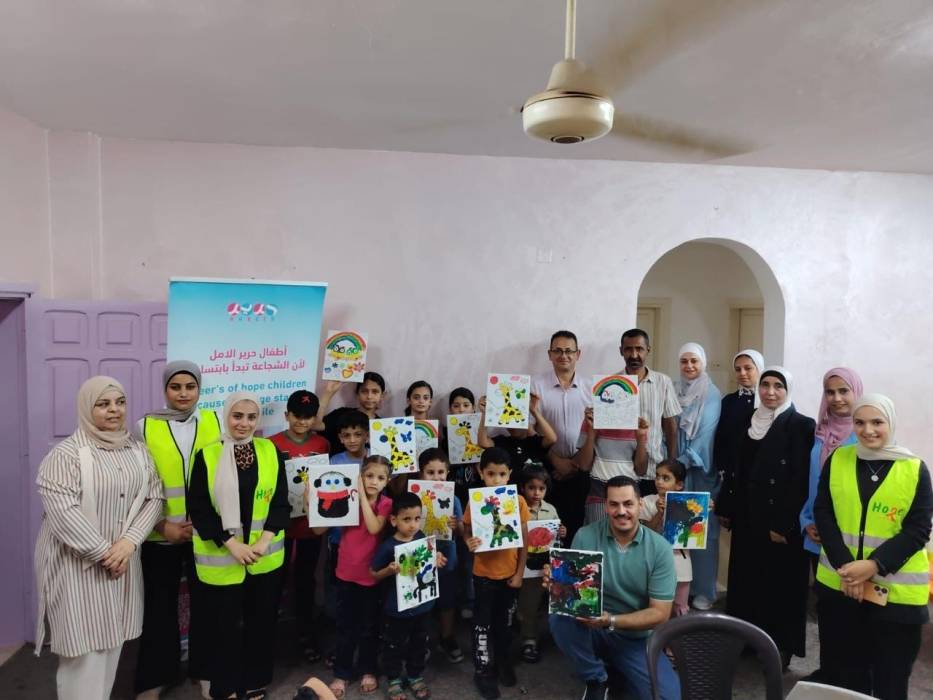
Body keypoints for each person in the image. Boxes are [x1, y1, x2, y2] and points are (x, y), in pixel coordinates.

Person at [34, 376, 163, 700]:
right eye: (103, 404)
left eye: (120, 402)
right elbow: (63, 513)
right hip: (78, 568)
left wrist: (129, 543)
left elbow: (154, 498)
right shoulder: (66, 455)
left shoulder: (137, 450)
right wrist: (107, 554)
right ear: (86, 408)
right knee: (84, 656)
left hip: (122, 565)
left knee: (111, 648)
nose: (114, 410)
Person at [813, 394, 932, 700]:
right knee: (843, 673)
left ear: (890, 423)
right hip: (840, 587)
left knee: (890, 678)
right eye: (860, 422)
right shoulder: (838, 459)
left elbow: (918, 530)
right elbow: (824, 512)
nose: (868, 430)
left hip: (896, 598)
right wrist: (847, 568)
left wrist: (873, 566)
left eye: (877, 422)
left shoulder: (914, 469)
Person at [188, 392, 291, 699]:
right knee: (223, 628)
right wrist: (232, 544)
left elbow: (281, 502)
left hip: (263, 558)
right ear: (226, 416)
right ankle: (224, 686)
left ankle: (255, 680)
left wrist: (264, 541)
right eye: (237, 416)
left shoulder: (269, 450)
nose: (244, 423)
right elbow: (200, 510)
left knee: (261, 624)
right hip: (223, 559)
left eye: (251, 417)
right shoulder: (207, 455)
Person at [546, 475, 680, 700]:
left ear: (640, 504)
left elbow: (660, 613)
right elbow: (572, 596)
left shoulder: (660, 549)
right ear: (606, 506)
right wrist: (557, 584)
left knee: (669, 697)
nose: (621, 511)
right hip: (592, 628)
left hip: (635, 637)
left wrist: (611, 620)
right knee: (559, 617)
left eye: (628, 504)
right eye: (614, 504)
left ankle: (617, 667)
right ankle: (596, 678)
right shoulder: (585, 536)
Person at [134, 361, 222, 700]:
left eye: (190, 386)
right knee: (158, 607)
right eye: (175, 387)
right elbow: (136, 483)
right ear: (165, 389)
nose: (183, 393)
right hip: (161, 535)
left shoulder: (216, 421)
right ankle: (155, 677)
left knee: (209, 605)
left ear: (199, 388)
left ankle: (208, 672)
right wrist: (161, 525)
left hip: (206, 534)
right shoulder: (145, 427)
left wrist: (207, 524)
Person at [720, 367, 814, 668]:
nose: (770, 392)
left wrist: (784, 524)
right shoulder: (749, 420)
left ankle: (780, 647)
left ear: (788, 390)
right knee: (747, 580)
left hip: (778, 521)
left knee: (780, 586)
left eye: (778, 386)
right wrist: (727, 508)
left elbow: (800, 479)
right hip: (747, 516)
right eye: (765, 385)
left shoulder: (801, 425)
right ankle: (747, 640)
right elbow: (736, 469)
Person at [268, 389, 330, 664]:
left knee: (306, 581)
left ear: (315, 418)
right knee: (274, 581)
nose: (302, 422)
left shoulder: (322, 444)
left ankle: (306, 634)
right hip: (277, 528)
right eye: (297, 416)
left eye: (308, 417)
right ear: (287, 415)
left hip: (309, 527)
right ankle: (268, 639)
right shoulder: (270, 444)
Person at [463, 447, 530, 699]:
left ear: (510, 474)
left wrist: (520, 573)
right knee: (482, 625)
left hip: (509, 575)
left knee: (505, 624)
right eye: (491, 474)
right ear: (481, 473)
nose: (496, 480)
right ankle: (482, 670)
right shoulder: (475, 501)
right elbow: (466, 529)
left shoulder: (518, 501)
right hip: (483, 575)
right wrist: (468, 540)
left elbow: (524, 540)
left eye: (502, 474)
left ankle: (503, 661)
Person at [323, 455, 392, 699]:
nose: (374, 481)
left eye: (380, 478)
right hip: (345, 573)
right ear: (361, 475)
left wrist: (360, 495)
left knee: (369, 626)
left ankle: (368, 669)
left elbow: (374, 528)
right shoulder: (346, 498)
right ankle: (341, 673)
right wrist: (313, 500)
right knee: (345, 626)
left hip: (371, 576)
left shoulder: (385, 504)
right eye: (369, 475)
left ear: (387, 481)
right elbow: (319, 527)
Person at [370, 492, 450, 700]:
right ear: (393, 520)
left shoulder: (422, 537)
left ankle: (415, 675)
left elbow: (429, 563)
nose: (413, 524)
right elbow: (373, 573)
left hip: (422, 605)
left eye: (417, 518)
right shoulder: (388, 546)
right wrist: (388, 570)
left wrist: (437, 558)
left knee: (419, 643)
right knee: (394, 645)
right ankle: (394, 679)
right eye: (406, 519)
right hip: (397, 609)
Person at [673, 343, 722, 610]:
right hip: (677, 471)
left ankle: (704, 590)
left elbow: (706, 436)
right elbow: (668, 426)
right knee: (679, 531)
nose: (689, 366)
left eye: (694, 361)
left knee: (703, 534)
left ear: (703, 363)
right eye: (684, 361)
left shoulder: (711, 394)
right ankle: (683, 589)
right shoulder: (673, 389)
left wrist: (680, 462)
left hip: (700, 470)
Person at [531, 330, 591, 543]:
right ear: (550, 354)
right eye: (557, 351)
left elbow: (597, 431)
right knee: (546, 532)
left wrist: (574, 464)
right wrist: (555, 460)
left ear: (578, 354)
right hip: (547, 470)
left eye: (568, 351)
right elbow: (529, 430)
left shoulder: (591, 388)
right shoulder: (535, 386)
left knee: (577, 529)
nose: (563, 355)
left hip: (581, 470)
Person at [800, 368, 863, 567]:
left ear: (856, 391)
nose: (836, 398)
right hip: (818, 530)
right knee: (822, 585)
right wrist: (806, 521)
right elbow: (810, 482)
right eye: (830, 392)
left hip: (851, 534)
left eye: (843, 391)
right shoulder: (819, 432)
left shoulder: (867, 434)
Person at [618, 329, 681, 496]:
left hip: (654, 471)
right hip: (621, 469)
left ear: (648, 350)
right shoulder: (611, 384)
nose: (634, 355)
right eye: (628, 349)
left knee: (652, 511)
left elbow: (670, 426)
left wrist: (671, 462)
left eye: (639, 349)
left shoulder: (663, 382)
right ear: (621, 351)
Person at [416, 448, 465, 663]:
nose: (436, 477)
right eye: (430, 472)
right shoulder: (414, 497)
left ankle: (447, 637)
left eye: (440, 472)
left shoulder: (453, 499)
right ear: (420, 474)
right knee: (422, 598)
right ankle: (422, 639)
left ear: (447, 473)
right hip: (421, 554)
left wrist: (457, 525)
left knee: (447, 599)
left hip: (447, 554)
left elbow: (462, 532)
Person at [516, 464, 565, 663]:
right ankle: (528, 639)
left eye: (541, 488)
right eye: (531, 487)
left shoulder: (550, 509)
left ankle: (559, 636)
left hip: (547, 563)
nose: (536, 493)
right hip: (526, 565)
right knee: (528, 603)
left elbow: (556, 533)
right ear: (523, 488)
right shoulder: (517, 508)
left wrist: (562, 531)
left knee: (553, 600)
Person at [573, 408, 649, 525]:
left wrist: (641, 437)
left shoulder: (637, 422)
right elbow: (584, 465)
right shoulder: (592, 419)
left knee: (626, 534)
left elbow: (641, 470)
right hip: (599, 495)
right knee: (597, 534)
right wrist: (592, 432)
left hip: (629, 496)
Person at [714, 349, 764, 526]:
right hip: (735, 477)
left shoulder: (770, 401)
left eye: (748, 368)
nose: (742, 373)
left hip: (762, 478)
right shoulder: (729, 401)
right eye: (738, 369)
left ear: (759, 368)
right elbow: (721, 440)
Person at [640, 459, 692, 617]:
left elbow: (695, 532)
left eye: (666, 478)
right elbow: (645, 532)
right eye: (657, 476)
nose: (659, 481)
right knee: (655, 608)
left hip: (681, 565)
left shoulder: (690, 503)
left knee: (679, 608)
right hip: (654, 563)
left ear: (679, 485)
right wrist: (659, 513)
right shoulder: (647, 501)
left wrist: (704, 507)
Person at [477, 392, 558, 474]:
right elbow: (483, 443)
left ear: (526, 422)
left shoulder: (534, 441)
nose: (513, 426)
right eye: (509, 422)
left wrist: (534, 411)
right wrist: (485, 414)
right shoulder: (503, 442)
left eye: (517, 420)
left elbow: (552, 439)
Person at [316, 372, 386, 455]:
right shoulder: (341, 414)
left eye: (375, 392)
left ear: (382, 395)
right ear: (357, 393)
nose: (369, 396)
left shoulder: (384, 427)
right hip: (337, 463)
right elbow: (316, 426)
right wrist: (328, 392)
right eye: (364, 391)